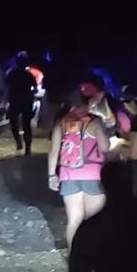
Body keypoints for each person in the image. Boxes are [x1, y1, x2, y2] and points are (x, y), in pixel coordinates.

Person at [47, 88, 113, 247]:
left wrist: (51, 176)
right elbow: (105, 147)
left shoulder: (62, 122)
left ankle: (75, 259)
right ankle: (94, 260)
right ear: (88, 102)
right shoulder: (95, 121)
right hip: (93, 175)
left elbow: (54, 151)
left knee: (74, 220)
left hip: (68, 175)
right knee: (94, 221)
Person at [5, 53, 38, 155]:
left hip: (16, 101)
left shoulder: (12, 74)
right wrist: (30, 94)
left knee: (14, 123)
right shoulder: (28, 75)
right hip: (25, 101)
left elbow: (6, 88)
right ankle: (27, 148)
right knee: (26, 125)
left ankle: (20, 143)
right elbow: (35, 89)